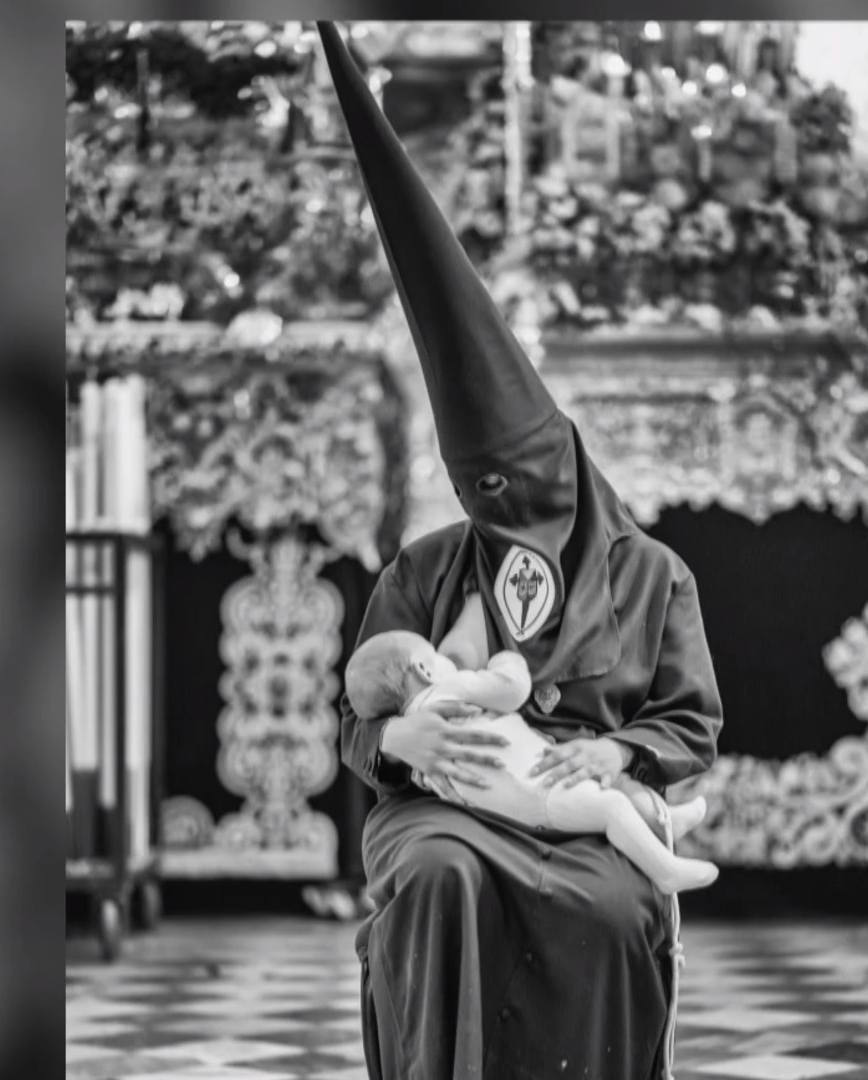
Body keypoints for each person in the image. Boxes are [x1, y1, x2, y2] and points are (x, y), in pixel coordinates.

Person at [318, 22, 724, 1080]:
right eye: (478, 489)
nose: (500, 505)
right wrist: (399, 741)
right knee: (438, 881)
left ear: (567, 462)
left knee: (611, 911)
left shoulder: (651, 576)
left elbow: (690, 721)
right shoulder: (421, 571)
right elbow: (351, 719)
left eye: (519, 480)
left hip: (580, 814)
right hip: (440, 809)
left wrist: (618, 754)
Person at [344, 614, 716, 894]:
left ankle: (664, 820)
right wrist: (506, 659)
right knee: (611, 807)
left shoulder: (419, 728)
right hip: (537, 789)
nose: (448, 661)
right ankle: (665, 870)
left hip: (501, 803)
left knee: (606, 788)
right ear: (425, 669)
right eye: (438, 656)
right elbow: (512, 689)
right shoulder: (450, 689)